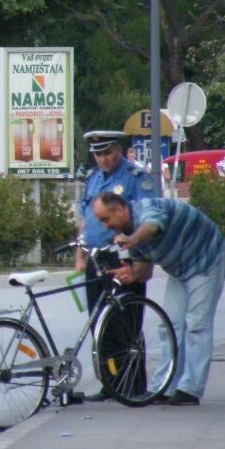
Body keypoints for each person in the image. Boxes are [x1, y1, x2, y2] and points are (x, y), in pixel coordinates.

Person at [92, 192, 225, 406]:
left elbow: (152, 227)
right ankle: (165, 385)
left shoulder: (146, 209)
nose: (105, 226)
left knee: (197, 325)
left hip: (206, 261)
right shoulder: (129, 234)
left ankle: (190, 389)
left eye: (105, 219)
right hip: (180, 270)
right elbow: (144, 269)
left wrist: (131, 240)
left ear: (119, 210)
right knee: (169, 325)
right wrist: (132, 274)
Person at [75, 130, 157, 402]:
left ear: (119, 150)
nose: (104, 159)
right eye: (98, 154)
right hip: (96, 256)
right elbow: (85, 217)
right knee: (100, 322)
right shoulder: (93, 178)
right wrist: (80, 252)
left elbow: (145, 217)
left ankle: (132, 385)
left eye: (108, 152)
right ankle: (111, 383)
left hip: (123, 255)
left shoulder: (135, 177)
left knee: (126, 321)